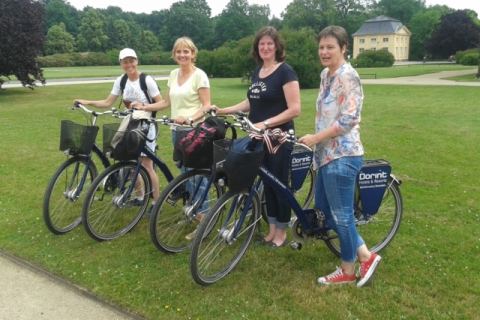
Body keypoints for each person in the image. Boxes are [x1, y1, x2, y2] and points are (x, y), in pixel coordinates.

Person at [298, 26, 381, 287]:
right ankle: (365, 255)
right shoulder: (326, 74)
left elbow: (348, 120)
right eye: (321, 47)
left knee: (342, 215)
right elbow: (326, 114)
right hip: (325, 155)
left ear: (344, 48)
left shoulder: (349, 76)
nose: (324, 51)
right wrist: (316, 139)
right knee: (326, 211)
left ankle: (347, 269)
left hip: (343, 155)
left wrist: (316, 138)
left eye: (330, 47)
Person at [214, 26, 301, 248]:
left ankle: (281, 231)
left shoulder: (285, 72)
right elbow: (250, 103)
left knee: (279, 184)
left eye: (269, 43)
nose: (265, 47)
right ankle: (271, 229)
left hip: (279, 138)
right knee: (266, 182)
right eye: (261, 44)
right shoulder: (258, 71)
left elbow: (294, 109)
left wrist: (267, 123)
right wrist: (223, 110)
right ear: (257, 48)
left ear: (277, 46)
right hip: (259, 136)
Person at [133, 37, 211, 239]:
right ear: (174, 54)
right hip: (177, 131)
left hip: (195, 131)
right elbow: (167, 101)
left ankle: (205, 222)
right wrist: (145, 107)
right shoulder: (173, 74)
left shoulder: (199, 76)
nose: (182, 55)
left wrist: (189, 118)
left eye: (186, 51)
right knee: (185, 174)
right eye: (179, 52)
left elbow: (207, 106)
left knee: (197, 177)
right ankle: (192, 213)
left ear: (193, 53)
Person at [75, 48, 162, 206]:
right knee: (128, 160)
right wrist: (88, 102)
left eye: (131, 60)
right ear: (121, 63)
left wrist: (143, 106)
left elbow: (161, 103)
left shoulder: (146, 80)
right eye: (125, 61)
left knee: (147, 164)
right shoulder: (121, 81)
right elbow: (108, 102)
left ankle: (156, 203)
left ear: (136, 61)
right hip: (130, 124)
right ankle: (140, 197)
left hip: (146, 126)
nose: (129, 64)